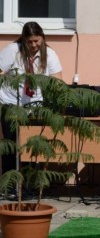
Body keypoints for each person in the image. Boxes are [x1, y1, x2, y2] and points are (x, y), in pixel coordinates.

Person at [0, 22, 63, 177]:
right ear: (23, 39)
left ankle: (27, 183)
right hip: (10, 103)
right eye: (30, 42)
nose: (34, 45)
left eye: (37, 41)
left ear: (42, 38)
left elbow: (58, 81)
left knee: (30, 144)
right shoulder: (12, 50)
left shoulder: (49, 54)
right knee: (11, 145)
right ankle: (10, 184)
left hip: (34, 106)